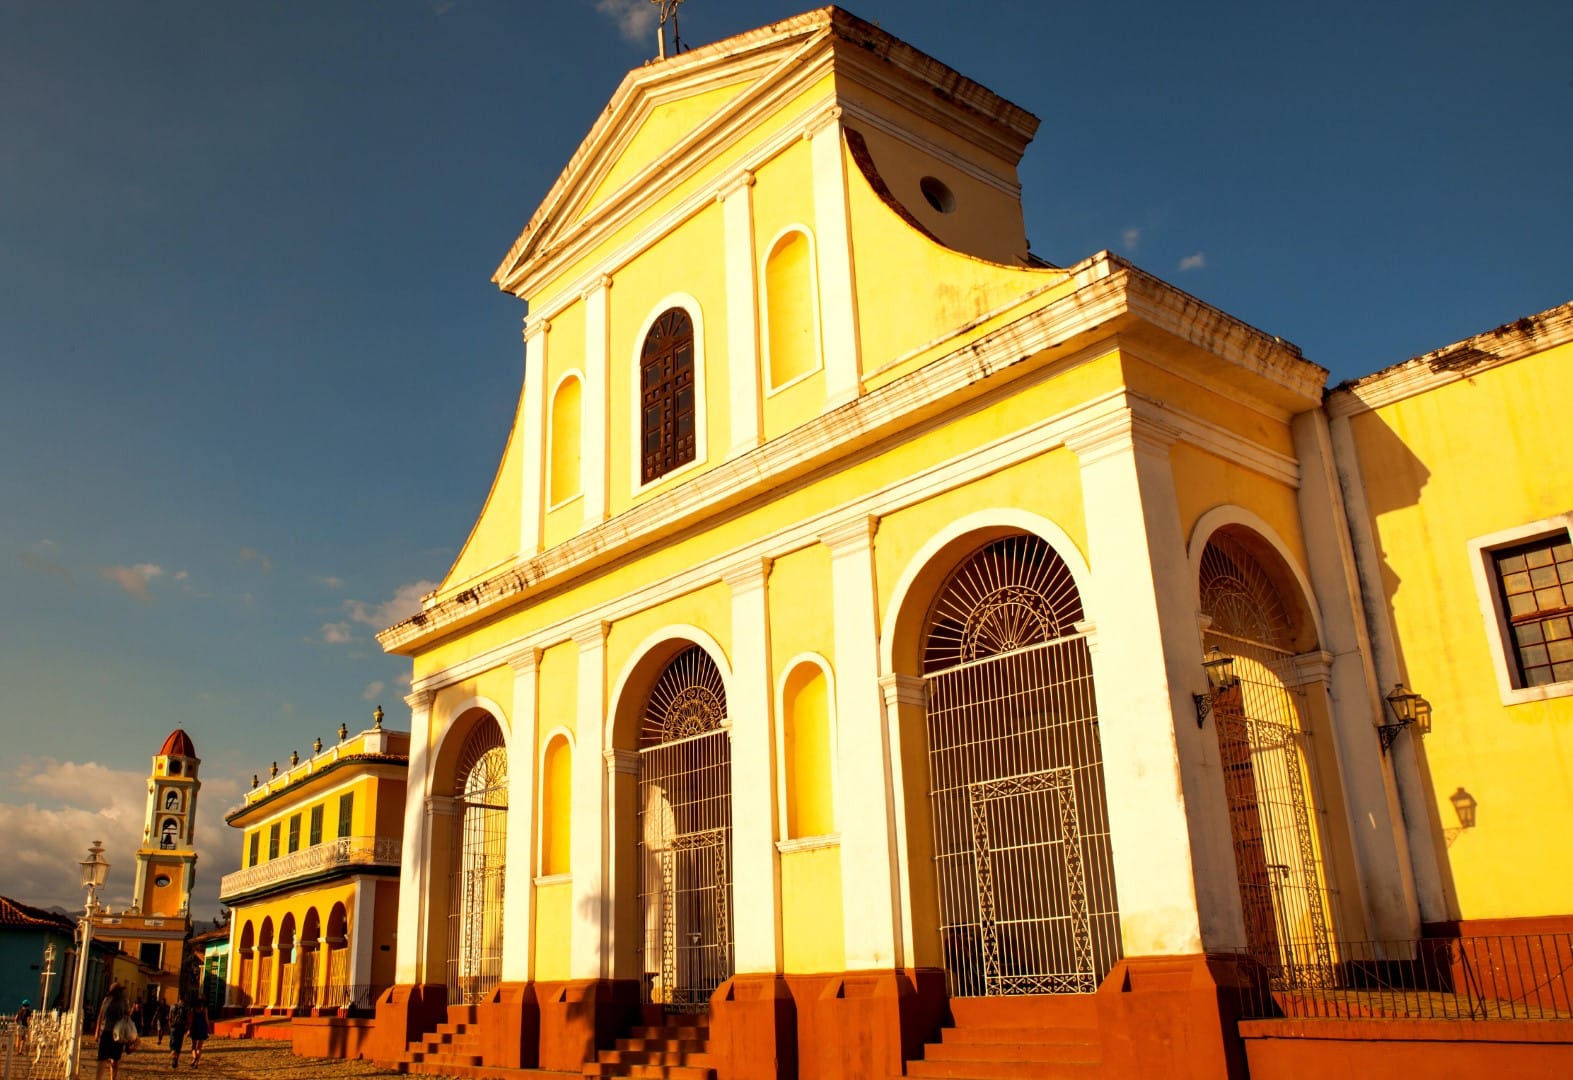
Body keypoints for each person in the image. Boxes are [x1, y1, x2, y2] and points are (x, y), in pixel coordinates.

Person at [94, 982, 129, 1080]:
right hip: (106, 1031)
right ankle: (98, 1078)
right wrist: (97, 1031)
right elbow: (100, 1015)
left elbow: (127, 1016)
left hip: (118, 1034)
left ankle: (113, 1078)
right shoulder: (106, 1000)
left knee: (115, 1060)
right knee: (102, 1058)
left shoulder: (124, 1001)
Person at [167, 997, 188, 1069]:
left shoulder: (173, 1006)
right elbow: (187, 1018)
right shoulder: (185, 1007)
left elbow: (169, 1017)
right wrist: (187, 1028)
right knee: (179, 1044)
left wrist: (170, 1026)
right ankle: (176, 1060)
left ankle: (173, 1056)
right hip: (181, 1027)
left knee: (173, 1043)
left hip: (173, 1027)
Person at [186, 999, 208, 1068]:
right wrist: (207, 1029)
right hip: (202, 1028)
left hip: (195, 1027)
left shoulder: (193, 1010)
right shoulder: (204, 1009)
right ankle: (197, 1063)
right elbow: (206, 1019)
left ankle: (194, 1057)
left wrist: (188, 1029)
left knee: (193, 1046)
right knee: (199, 1047)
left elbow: (191, 1020)